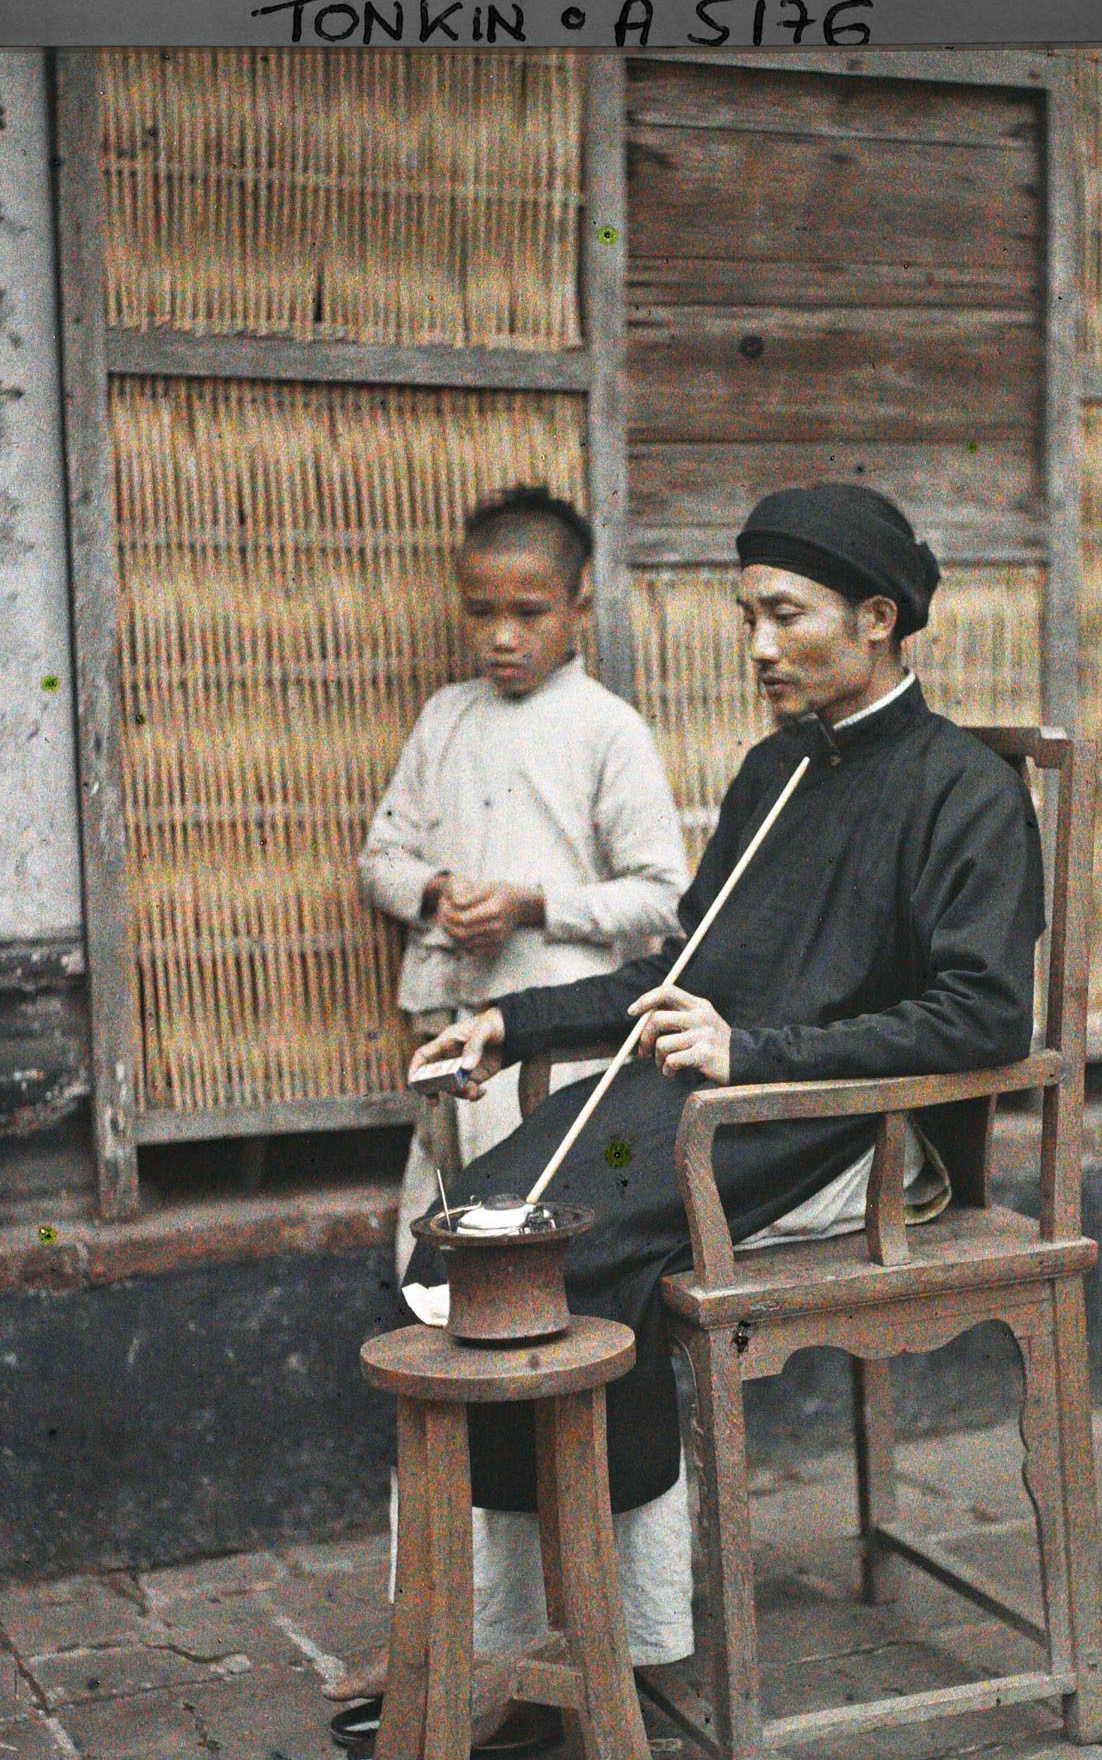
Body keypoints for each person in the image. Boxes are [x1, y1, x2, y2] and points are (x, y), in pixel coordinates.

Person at [402, 481, 1046, 1669]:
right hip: (717, 1112)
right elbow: (680, 965)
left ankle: (615, 1641)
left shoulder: (966, 788)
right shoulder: (776, 769)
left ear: (876, 618)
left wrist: (755, 1051)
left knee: (561, 1252)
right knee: (478, 1227)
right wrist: (509, 1019)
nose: (758, 645)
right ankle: (481, 1636)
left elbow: (986, 1015)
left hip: (854, 1137)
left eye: (785, 615)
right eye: (748, 615)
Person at [332, 485, 688, 1726]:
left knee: (557, 1328)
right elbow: (380, 856)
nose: (501, 635)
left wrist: (533, 903)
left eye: (529, 611)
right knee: (446, 1322)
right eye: (480, 609)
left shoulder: (607, 730)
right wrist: (436, 891)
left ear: (579, 605)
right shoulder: (445, 717)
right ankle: (454, 1634)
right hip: (458, 1063)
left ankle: (594, 1631)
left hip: (564, 1075)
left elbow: (663, 897)